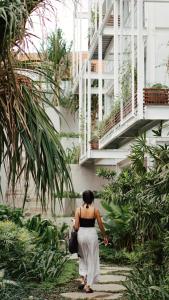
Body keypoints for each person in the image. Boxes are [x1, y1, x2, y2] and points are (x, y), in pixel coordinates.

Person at [74, 190, 108, 293]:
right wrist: (104, 236)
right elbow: (101, 225)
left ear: (83, 199)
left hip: (81, 235)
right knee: (92, 259)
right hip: (91, 235)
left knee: (83, 257)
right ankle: (88, 285)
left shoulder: (78, 210)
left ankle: (83, 279)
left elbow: (76, 227)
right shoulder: (95, 210)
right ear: (92, 199)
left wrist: (73, 224)